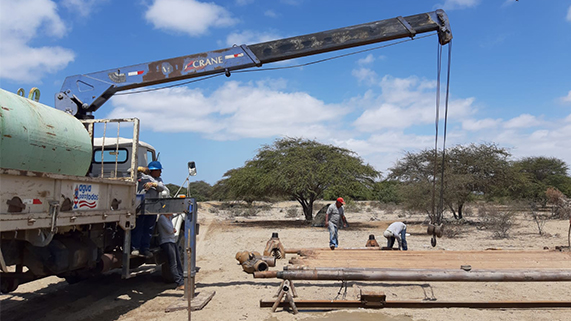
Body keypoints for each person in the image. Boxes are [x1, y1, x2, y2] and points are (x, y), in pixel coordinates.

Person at [131, 161, 167, 258]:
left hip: (152, 208)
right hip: (141, 206)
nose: (160, 172)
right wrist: (140, 168)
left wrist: (153, 184)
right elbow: (130, 171)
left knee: (148, 229)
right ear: (153, 170)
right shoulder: (142, 176)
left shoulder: (158, 180)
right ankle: (135, 248)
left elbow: (162, 187)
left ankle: (145, 248)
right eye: (159, 170)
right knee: (138, 227)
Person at [157, 213, 185, 290]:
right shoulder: (162, 218)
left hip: (171, 241)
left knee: (178, 261)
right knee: (173, 263)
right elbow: (170, 230)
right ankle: (179, 282)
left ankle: (182, 280)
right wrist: (173, 230)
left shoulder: (168, 218)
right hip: (166, 242)